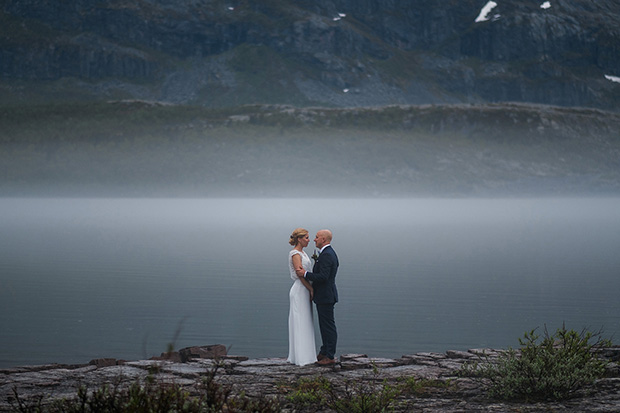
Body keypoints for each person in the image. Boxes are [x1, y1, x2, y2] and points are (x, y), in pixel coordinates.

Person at [296, 229, 339, 366]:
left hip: (326, 296)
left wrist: (306, 274)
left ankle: (330, 355)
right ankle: (324, 351)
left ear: (324, 240)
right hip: (325, 296)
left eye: (317, 237)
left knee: (328, 326)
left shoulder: (327, 255)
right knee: (324, 325)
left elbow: (323, 277)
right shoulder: (327, 253)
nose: (314, 240)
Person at [287, 228, 317, 366]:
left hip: (304, 289)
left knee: (306, 320)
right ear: (299, 239)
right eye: (306, 237)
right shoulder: (295, 254)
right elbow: (300, 274)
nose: (308, 240)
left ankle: (307, 355)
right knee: (300, 321)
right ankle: (300, 357)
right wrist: (310, 288)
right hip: (300, 289)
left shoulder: (303, 253)